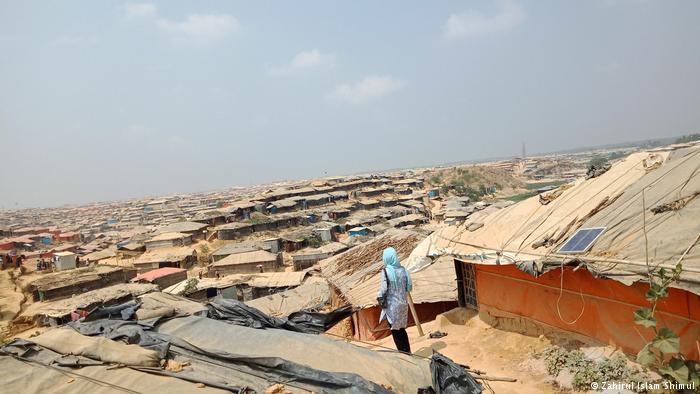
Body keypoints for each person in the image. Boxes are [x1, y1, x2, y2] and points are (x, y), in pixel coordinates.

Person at [377, 247, 413, 353]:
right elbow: (409, 288)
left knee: (395, 331)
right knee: (401, 330)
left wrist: (379, 295)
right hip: (403, 305)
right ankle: (408, 352)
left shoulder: (386, 271)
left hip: (392, 306)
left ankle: (403, 354)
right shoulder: (404, 270)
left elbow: (383, 289)